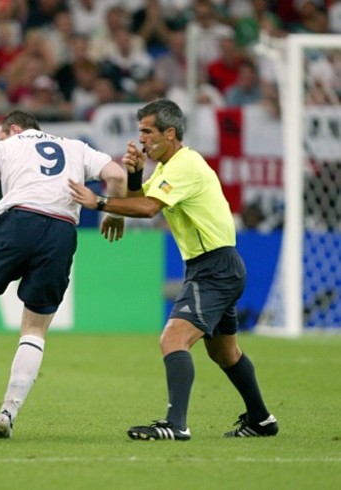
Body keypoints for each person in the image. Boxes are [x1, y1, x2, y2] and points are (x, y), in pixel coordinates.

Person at [68, 99, 278, 440]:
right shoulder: (167, 168)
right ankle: (261, 419)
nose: (142, 140)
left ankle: (176, 424)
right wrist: (135, 175)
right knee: (225, 352)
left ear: (170, 133)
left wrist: (100, 203)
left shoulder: (185, 165)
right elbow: (141, 198)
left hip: (214, 266)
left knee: (173, 338)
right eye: (140, 133)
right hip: (216, 265)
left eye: (148, 132)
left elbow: (149, 209)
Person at [0, 110, 127, 438]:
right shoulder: (77, 147)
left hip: (19, 221)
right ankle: (8, 412)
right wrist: (114, 213)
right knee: (34, 329)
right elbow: (117, 175)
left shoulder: (5, 146)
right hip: (62, 231)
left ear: (13, 129)